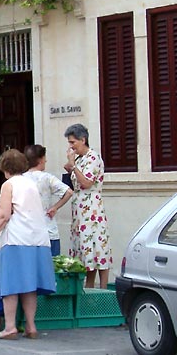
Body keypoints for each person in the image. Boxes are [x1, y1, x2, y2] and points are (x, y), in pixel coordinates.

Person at [0, 149, 56, 340]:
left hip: (16, 239)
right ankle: (31, 326)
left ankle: (10, 327)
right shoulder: (30, 184)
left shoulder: (8, 185)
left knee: (11, 284)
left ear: (5, 167)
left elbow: (5, 216)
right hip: (38, 239)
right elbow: (20, 211)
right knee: (30, 286)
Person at [63, 123, 112, 289]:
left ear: (83, 140)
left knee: (98, 246)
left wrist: (74, 167)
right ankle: (89, 288)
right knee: (86, 249)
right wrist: (70, 167)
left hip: (91, 208)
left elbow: (86, 182)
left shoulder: (93, 157)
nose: (71, 146)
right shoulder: (79, 159)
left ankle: (103, 289)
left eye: (73, 142)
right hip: (80, 209)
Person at [23, 144, 73, 256]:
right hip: (48, 229)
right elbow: (68, 192)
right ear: (40, 159)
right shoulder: (47, 178)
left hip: (28, 231)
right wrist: (55, 207)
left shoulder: (20, 179)